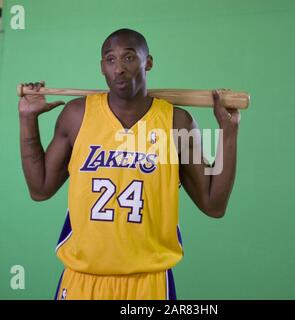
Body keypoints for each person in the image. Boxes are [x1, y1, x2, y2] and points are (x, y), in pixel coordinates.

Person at [18, 28, 240, 300]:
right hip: (82, 280)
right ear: (102, 67)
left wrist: (229, 132)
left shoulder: (176, 124)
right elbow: (40, 189)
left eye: (129, 58)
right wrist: (28, 120)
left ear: (148, 62)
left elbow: (213, 204)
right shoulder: (77, 115)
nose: (119, 69)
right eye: (110, 60)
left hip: (148, 283)